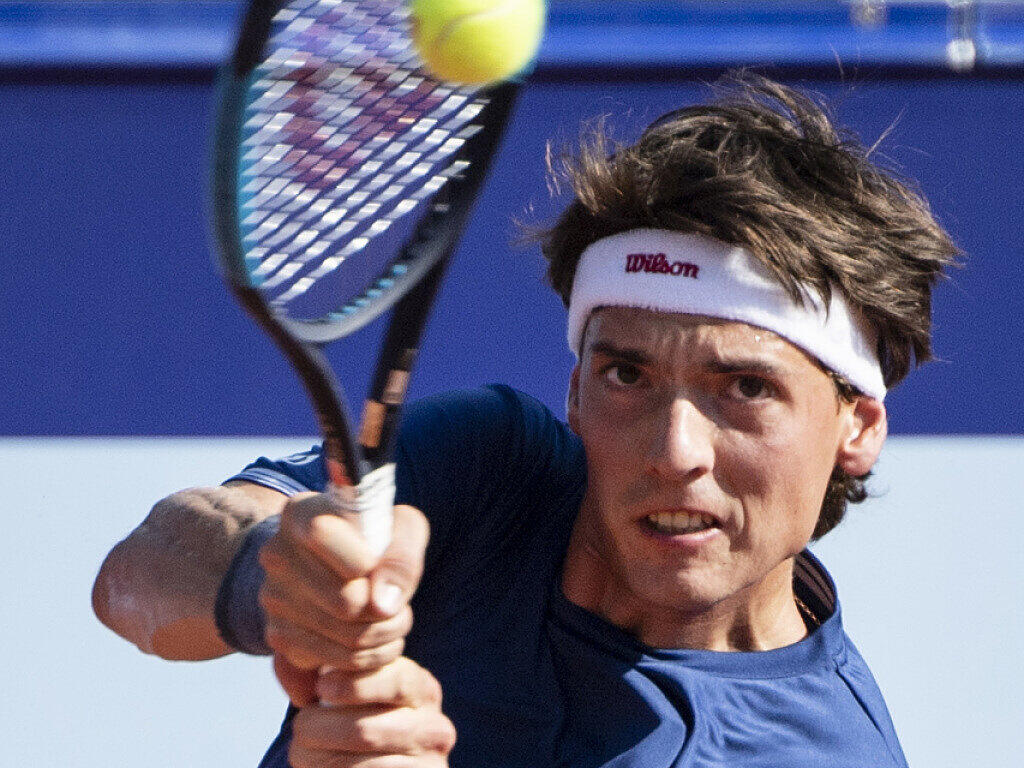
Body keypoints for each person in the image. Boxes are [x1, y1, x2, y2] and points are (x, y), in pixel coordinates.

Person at [93, 73, 959, 767]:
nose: (674, 451)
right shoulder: (488, 464)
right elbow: (135, 579)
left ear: (857, 427)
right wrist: (277, 587)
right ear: (576, 393)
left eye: (745, 388)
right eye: (627, 374)